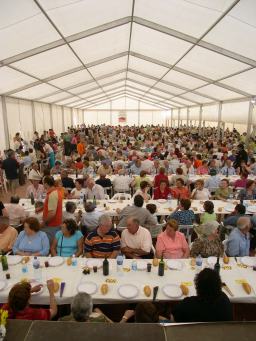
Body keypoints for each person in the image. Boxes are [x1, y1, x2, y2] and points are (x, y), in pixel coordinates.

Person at [42, 176, 63, 243]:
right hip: (54, 224)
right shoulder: (55, 191)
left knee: (48, 243)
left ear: (46, 184)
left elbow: (52, 213)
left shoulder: (52, 194)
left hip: (52, 225)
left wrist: (44, 223)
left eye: (43, 183)